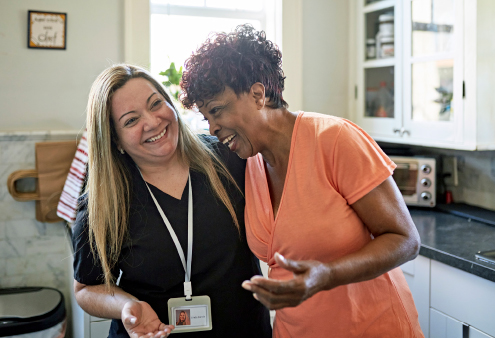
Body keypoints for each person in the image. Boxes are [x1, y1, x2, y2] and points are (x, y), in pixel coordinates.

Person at [180, 24, 425, 338]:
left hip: (372, 327)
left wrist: (327, 275)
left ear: (257, 94)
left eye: (216, 111)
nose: (212, 128)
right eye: (206, 118)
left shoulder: (334, 139)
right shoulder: (248, 162)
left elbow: (405, 240)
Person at [72, 64, 272, 338]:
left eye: (156, 104)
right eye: (131, 120)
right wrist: (126, 305)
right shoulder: (104, 201)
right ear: (114, 140)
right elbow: (85, 289)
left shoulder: (230, 158)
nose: (153, 122)